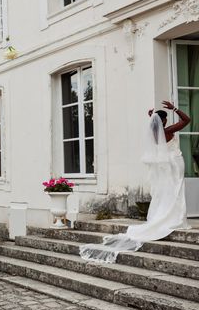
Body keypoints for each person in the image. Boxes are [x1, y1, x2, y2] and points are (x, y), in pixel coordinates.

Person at [80, 101, 191, 263]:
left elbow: (156, 124)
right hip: (174, 164)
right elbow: (187, 120)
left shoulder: (153, 133)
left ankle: (168, 215)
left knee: (166, 192)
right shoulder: (167, 131)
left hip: (165, 166)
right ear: (164, 121)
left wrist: (152, 116)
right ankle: (175, 218)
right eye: (166, 119)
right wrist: (174, 108)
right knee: (175, 190)